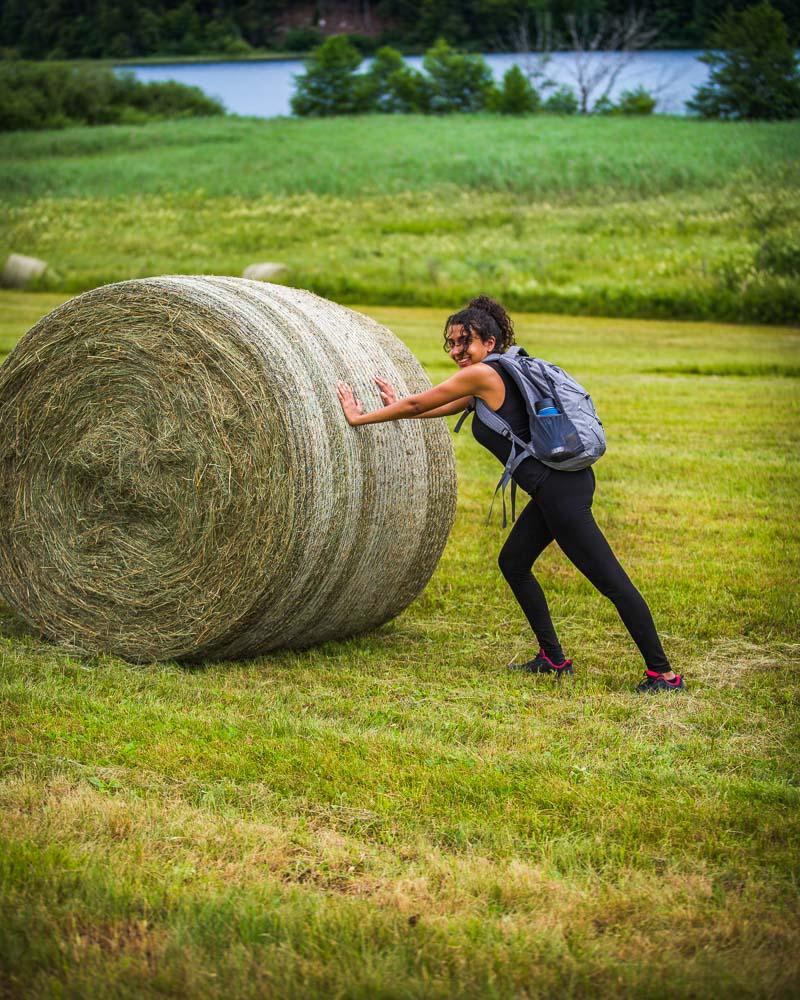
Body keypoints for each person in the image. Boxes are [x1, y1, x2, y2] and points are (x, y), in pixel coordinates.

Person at [336, 295, 683, 693]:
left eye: (463, 342)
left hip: (560, 493)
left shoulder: (484, 373)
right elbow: (437, 407)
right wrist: (395, 405)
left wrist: (359, 417)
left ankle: (663, 674)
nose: (455, 351)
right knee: (513, 562)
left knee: (612, 582)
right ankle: (553, 658)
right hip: (557, 489)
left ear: (489, 342)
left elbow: (417, 403)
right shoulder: (495, 374)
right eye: (450, 344)